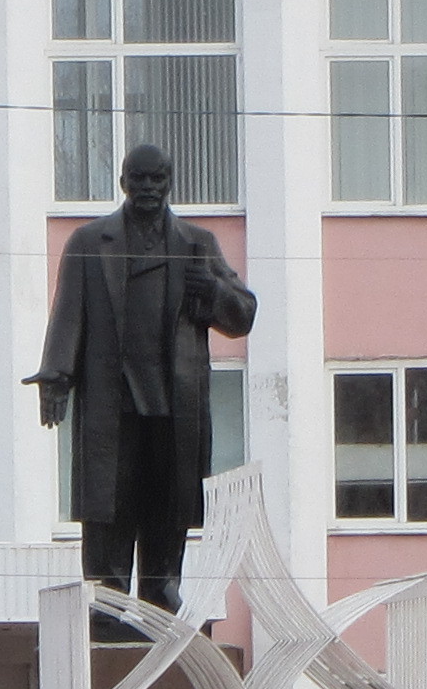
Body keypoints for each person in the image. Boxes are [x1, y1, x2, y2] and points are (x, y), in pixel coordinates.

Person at [31, 141, 258, 617]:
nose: (149, 188)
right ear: (123, 182)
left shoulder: (197, 244)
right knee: (108, 506)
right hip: (111, 401)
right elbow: (67, 314)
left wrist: (213, 290)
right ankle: (108, 601)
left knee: (167, 503)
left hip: (175, 403)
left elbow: (242, 316)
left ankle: (161, 592)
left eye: (158, 179)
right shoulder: (90, 242)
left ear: (171, 182)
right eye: (139, 178)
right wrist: (56, 378)